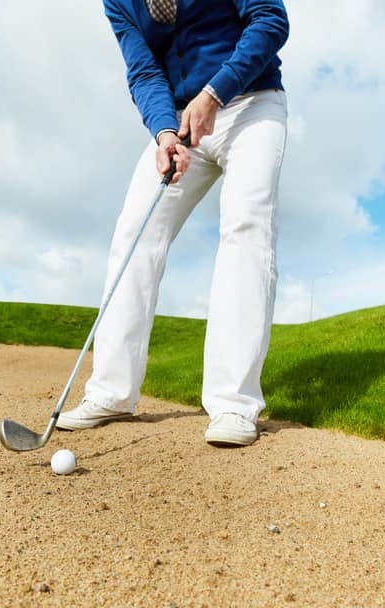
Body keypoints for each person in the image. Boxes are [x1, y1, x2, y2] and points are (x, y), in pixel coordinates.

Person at [57, 0, 289, 445]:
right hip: (181, 121)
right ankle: (111, 392)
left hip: (253, 103)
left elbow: (270, 20)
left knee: (245, 225)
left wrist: (214, 92)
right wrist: (164, 133)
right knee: (134, 234)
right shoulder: (117, 3)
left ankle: (233, 403)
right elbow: (143, 70)